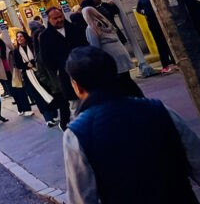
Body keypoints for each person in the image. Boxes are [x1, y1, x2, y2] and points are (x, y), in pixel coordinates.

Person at [63, 46, 200, 204]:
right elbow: (196, 159)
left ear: (77, 86)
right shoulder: (159, 110)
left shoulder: (77, 134)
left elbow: (81, 198)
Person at [38, 7, 88, 129]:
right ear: (49, 20)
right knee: (75, 105)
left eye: (60, 16)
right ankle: (81, 129)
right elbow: (46, 58)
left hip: (83, 70)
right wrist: (58, 69)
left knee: (90, 100)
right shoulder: (45, 36)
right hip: (66, 75)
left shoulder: (74, 28)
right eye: (55, 18)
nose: (59, 20)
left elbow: (85, 46)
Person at [83, 6, 143, 98]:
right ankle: (139, 97)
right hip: (121, 52)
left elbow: (95, 47)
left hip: (111, 57)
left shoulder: (91, 28)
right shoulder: (106, 23)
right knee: (127, 79)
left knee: (119, 83)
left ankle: (131, 100)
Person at [11, 30, 59, 126]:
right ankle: (48, 119)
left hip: (40, 73)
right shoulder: (16, 51)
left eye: (21, 36)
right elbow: (18, 64)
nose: (19, 38)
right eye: (18, 37)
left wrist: (33, 62)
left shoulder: (33, 46)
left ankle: (54, 114)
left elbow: (39, 57)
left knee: (48, 92)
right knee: (38, 97)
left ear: (25, 37)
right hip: (29, 77)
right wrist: (26, 65)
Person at [137, 0, 176, 72]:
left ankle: (175, 61)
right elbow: (138, 9)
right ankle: (165, 64)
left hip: (164, 22)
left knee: (170, 42)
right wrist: (144, 12)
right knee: (160, 44)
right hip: (153, 23)